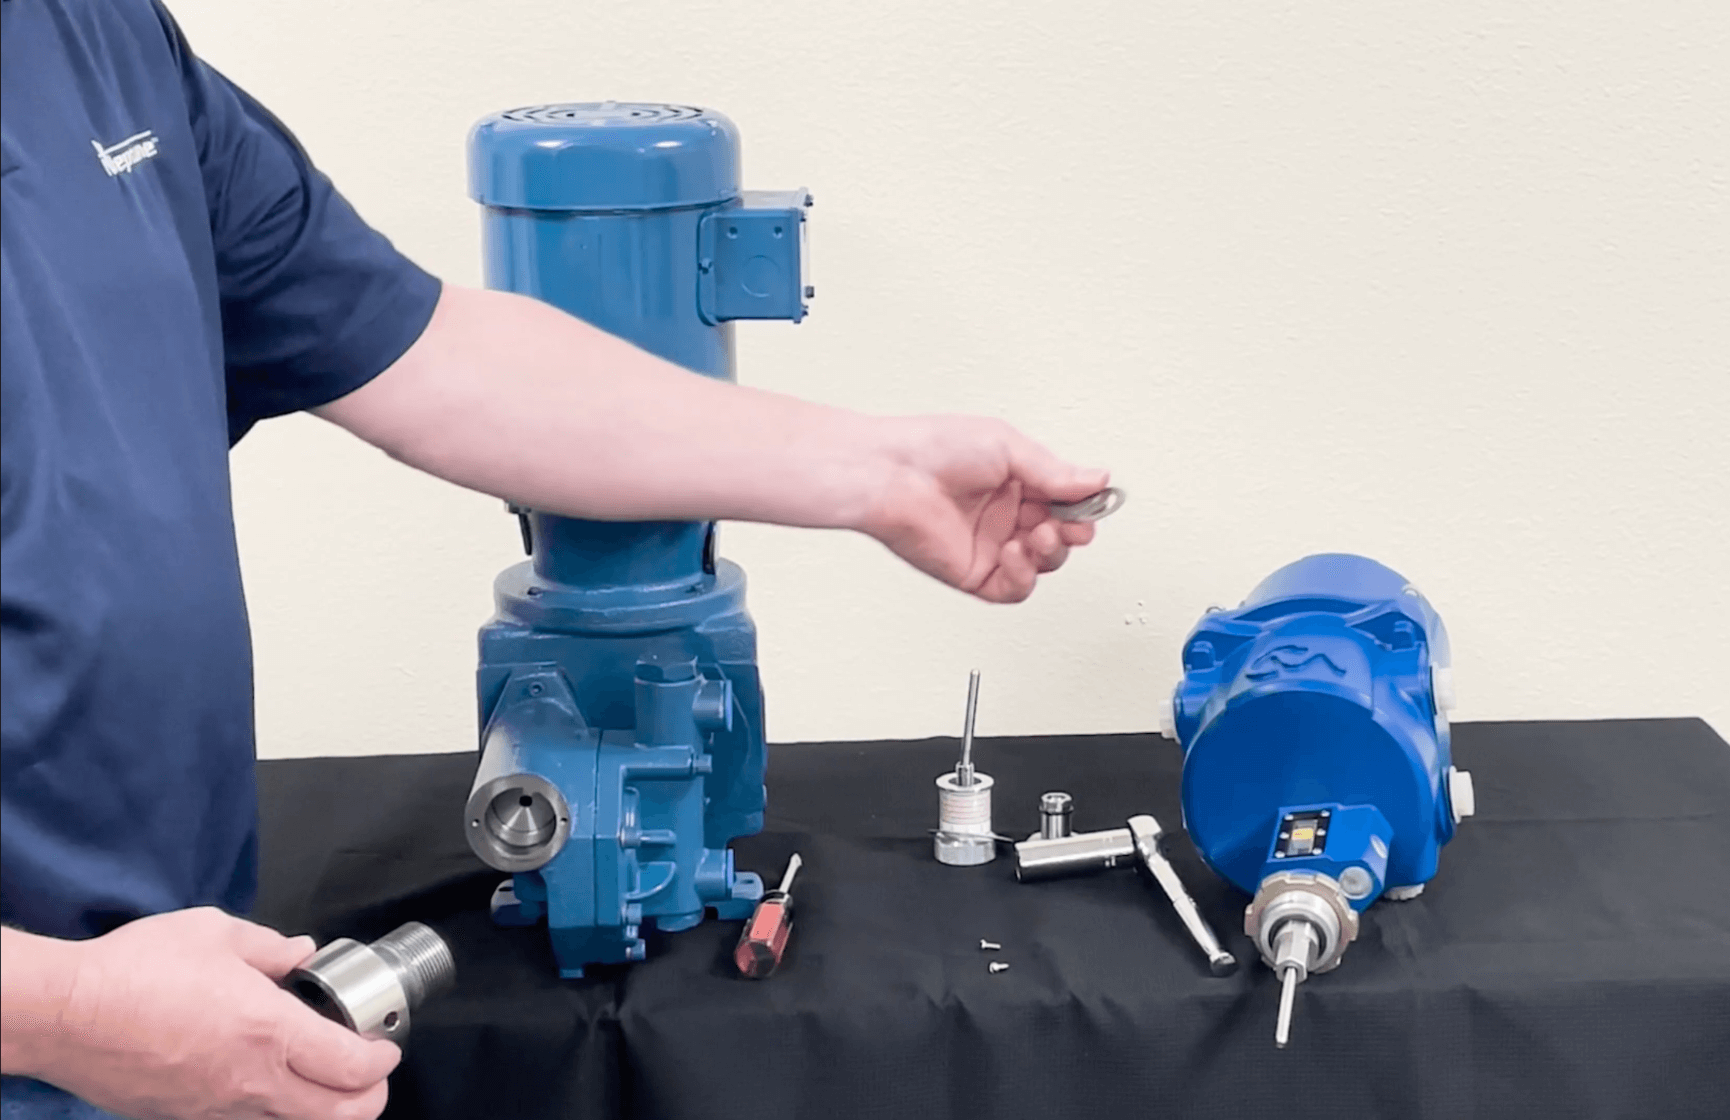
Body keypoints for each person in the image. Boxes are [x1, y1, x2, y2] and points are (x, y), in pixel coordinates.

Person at [0, 2, 1110, 1118]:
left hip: (179, 992)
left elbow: (427, 353)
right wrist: (63, 1009)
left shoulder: (94, 34)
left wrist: (885, 471)